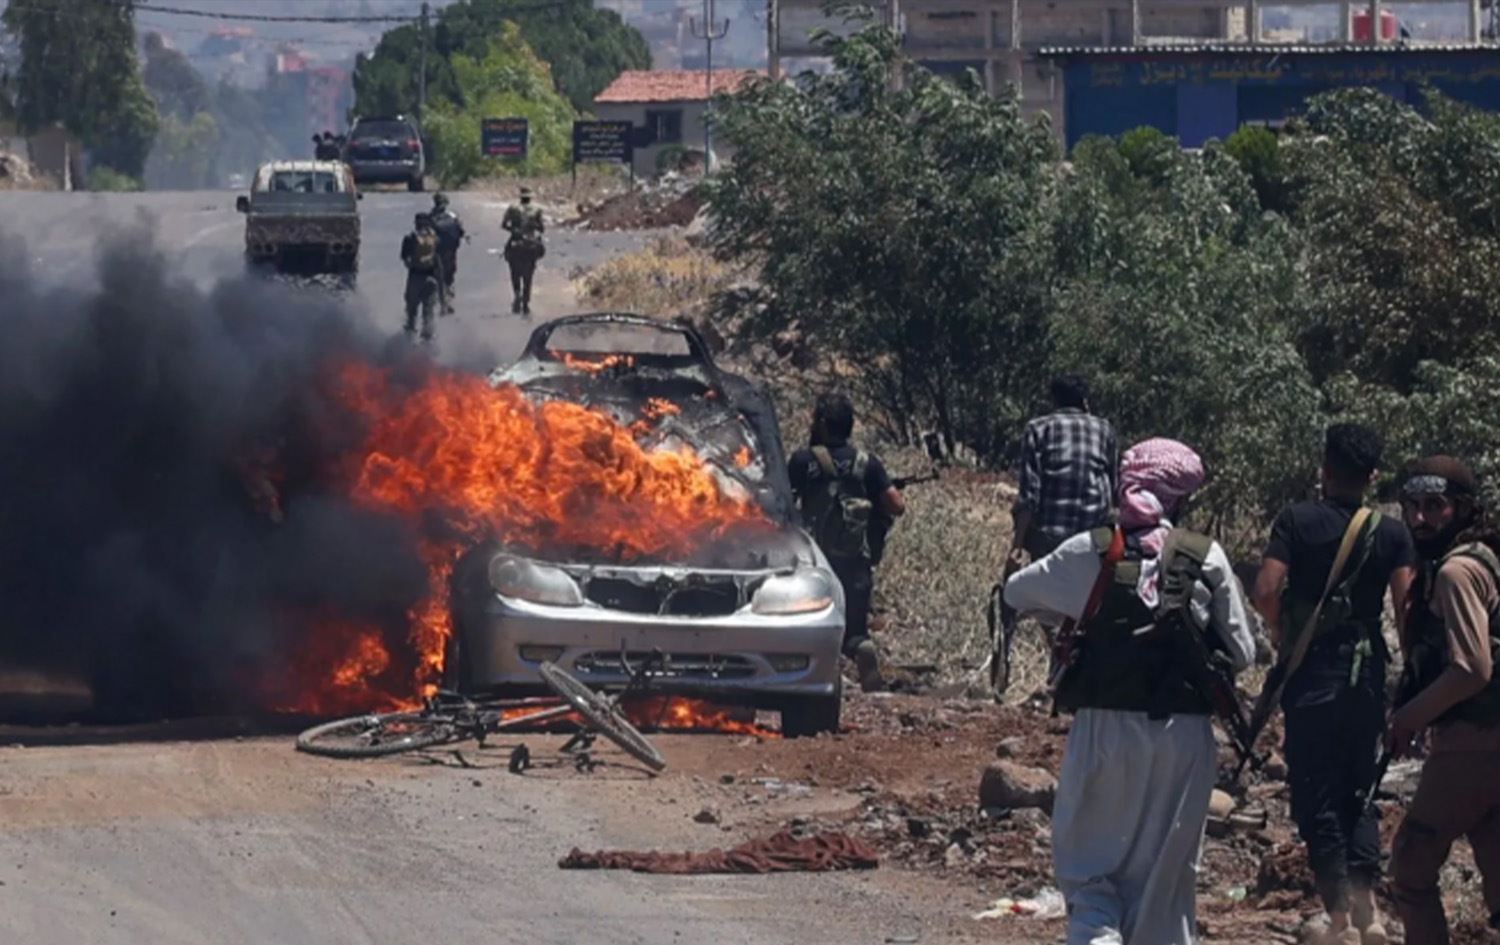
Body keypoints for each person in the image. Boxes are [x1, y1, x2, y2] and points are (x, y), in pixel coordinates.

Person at [1005, 438, 1256, 945]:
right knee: (1164, 883)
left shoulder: (1091, 550)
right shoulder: (1206, 556)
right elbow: (1244, 652)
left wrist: (1066, 618)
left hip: (1104, 731)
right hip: (1183, 738)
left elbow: (1016, 591)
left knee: (1091, 870)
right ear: (1180, 498)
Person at [1252, 424, 1415, 945]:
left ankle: (1339, 917)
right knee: (1360, 788)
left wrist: (1284, 636)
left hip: (1311, 675)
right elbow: (1405, 611)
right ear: (1372, 476)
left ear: (1324, 467)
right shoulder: (1391, 533)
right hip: (1365, 676)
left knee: (1316, 791)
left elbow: (1266, 590)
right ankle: (1370, 914)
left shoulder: (1296, 520)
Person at [1387, 457, 1500, 944]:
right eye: (1412, 505)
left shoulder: (1456, 572)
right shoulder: (1482, 559)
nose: (1419, 518)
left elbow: (1472, 668)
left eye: (1434, 506)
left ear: (1463, 509)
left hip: (1472, 743)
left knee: (1411, 865)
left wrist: (1408, 719)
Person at [788, 392, 905, 691]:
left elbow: (783, 505)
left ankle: (810, 676)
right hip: (856, 560)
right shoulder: (867, 463)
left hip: (813, 563)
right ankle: (860, 650)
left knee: (806, 623)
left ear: (824, 425)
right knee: (856, 629)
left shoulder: (804, 461)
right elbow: (897, 505)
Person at [1011, 374, 1119, 565]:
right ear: (1084, 401)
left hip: (1050, 539)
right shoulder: (1105, 430)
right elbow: (1113, 488)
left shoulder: (1038, 428)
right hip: (1093, 539)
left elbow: (1029, 496)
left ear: (1054, 400)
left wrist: (1017, 545)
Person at [399, 212, 443, 342]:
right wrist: (442, 292)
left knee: (412, 310)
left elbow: (405, 259)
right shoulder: (435, 238)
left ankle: (409, 337)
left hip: (415, 277)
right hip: (431, 278)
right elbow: (439, 263)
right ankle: (427, 339)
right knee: (428, 311)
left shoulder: (410, 237)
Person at [502, 186, 545, 315]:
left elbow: (504, 225)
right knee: (529, 275)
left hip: (516, 242)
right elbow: (542, 228)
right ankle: (526, 303)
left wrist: (514, 230)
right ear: (530, 197)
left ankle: (517, 293)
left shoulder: (512, 208)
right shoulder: (537, 209)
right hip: (531, 244)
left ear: (520, 197)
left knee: (514, 272)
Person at [430, 192, 466, 312]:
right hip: (451, 250)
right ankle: (448, 300)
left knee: (438, 276)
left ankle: (442, 302)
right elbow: (461, 232)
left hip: (437, 251)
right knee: (449, 275)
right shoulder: (452, 216)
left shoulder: (430, 217)